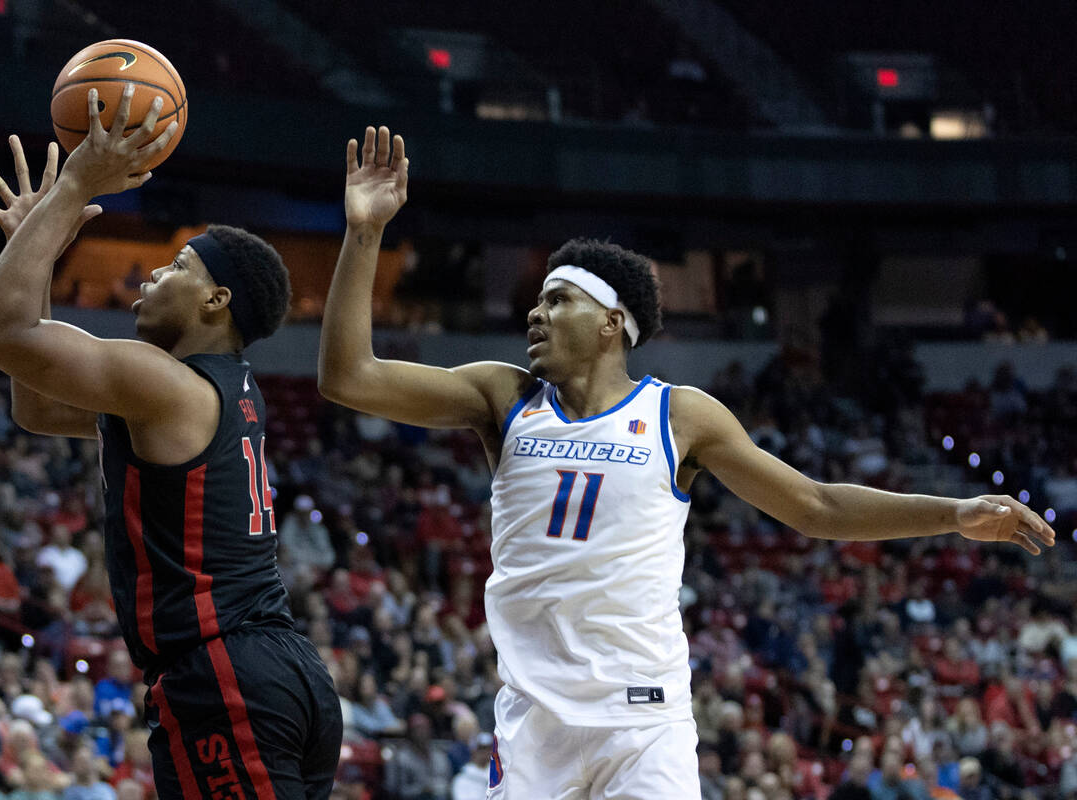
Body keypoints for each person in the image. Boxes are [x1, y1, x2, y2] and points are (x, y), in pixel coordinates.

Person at [317, 125, 1057, 798]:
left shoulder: (679, 415)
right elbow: (348, 377)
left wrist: (954, 513)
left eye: (557, 300)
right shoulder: (502, 396)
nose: (535, 315)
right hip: (532, 721)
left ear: (612, 322)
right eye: (536, 303)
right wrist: (363, 234)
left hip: (642, 722)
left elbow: (817, 506)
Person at [0, 87, 342, 799]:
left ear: (215, 300)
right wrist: (32, 245)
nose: (149, 277)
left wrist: (73, 189)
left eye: (175, 268)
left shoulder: (163, 383)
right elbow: (38, 402)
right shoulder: (217, 390)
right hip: (274, 670)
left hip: (224, 673)